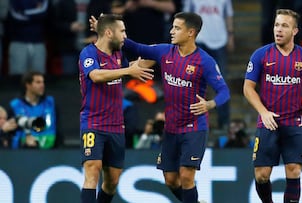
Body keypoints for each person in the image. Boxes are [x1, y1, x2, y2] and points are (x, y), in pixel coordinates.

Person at [120, 11, 230, 203]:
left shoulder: (205, 61)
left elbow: (224, 92)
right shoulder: (164, 51)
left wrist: (210, 104)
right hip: (171, 128)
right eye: (172, 26)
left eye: (177, 28)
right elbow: (136, 47)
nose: (171, 31)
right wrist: (111, 32)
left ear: (191, 33)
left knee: (187, 177)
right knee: (171, 180)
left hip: (194, 127)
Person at [243, 9, 302, 203]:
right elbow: (248, 88)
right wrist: (263, 112)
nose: (278, 29)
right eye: (277, 25)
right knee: (261, 174)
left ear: (295, 31)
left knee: (294, 170)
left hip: (294, 121)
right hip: (268, 121)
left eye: (284, 26)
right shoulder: (261, 55)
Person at [78, 14, 153, 203]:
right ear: (109, 32)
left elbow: (137, 66)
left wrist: (162, 52)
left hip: (116, 126)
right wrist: (129, 70)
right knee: (92, 169)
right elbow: (96, 76)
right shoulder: (89, 53)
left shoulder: (119, 55)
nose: (125, 36)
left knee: (112, 182)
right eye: (122, 31)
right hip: (93, 123)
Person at [182, 0, 235, 130]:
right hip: (199, 40)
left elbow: (228, 15)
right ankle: (191, 120)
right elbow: (185, 17)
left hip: (220, 40)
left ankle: (224, 123)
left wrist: (230, 35)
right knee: (193, 82)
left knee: (221, 83)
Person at [9, 71, 57, 149]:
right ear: (28, 85)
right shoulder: (15, 105)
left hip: (50, 153)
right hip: (23, 153)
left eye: (43, 82)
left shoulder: (50, 103)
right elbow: (11, 133)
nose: (42, 85)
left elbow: (58, 130)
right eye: (38, 82)